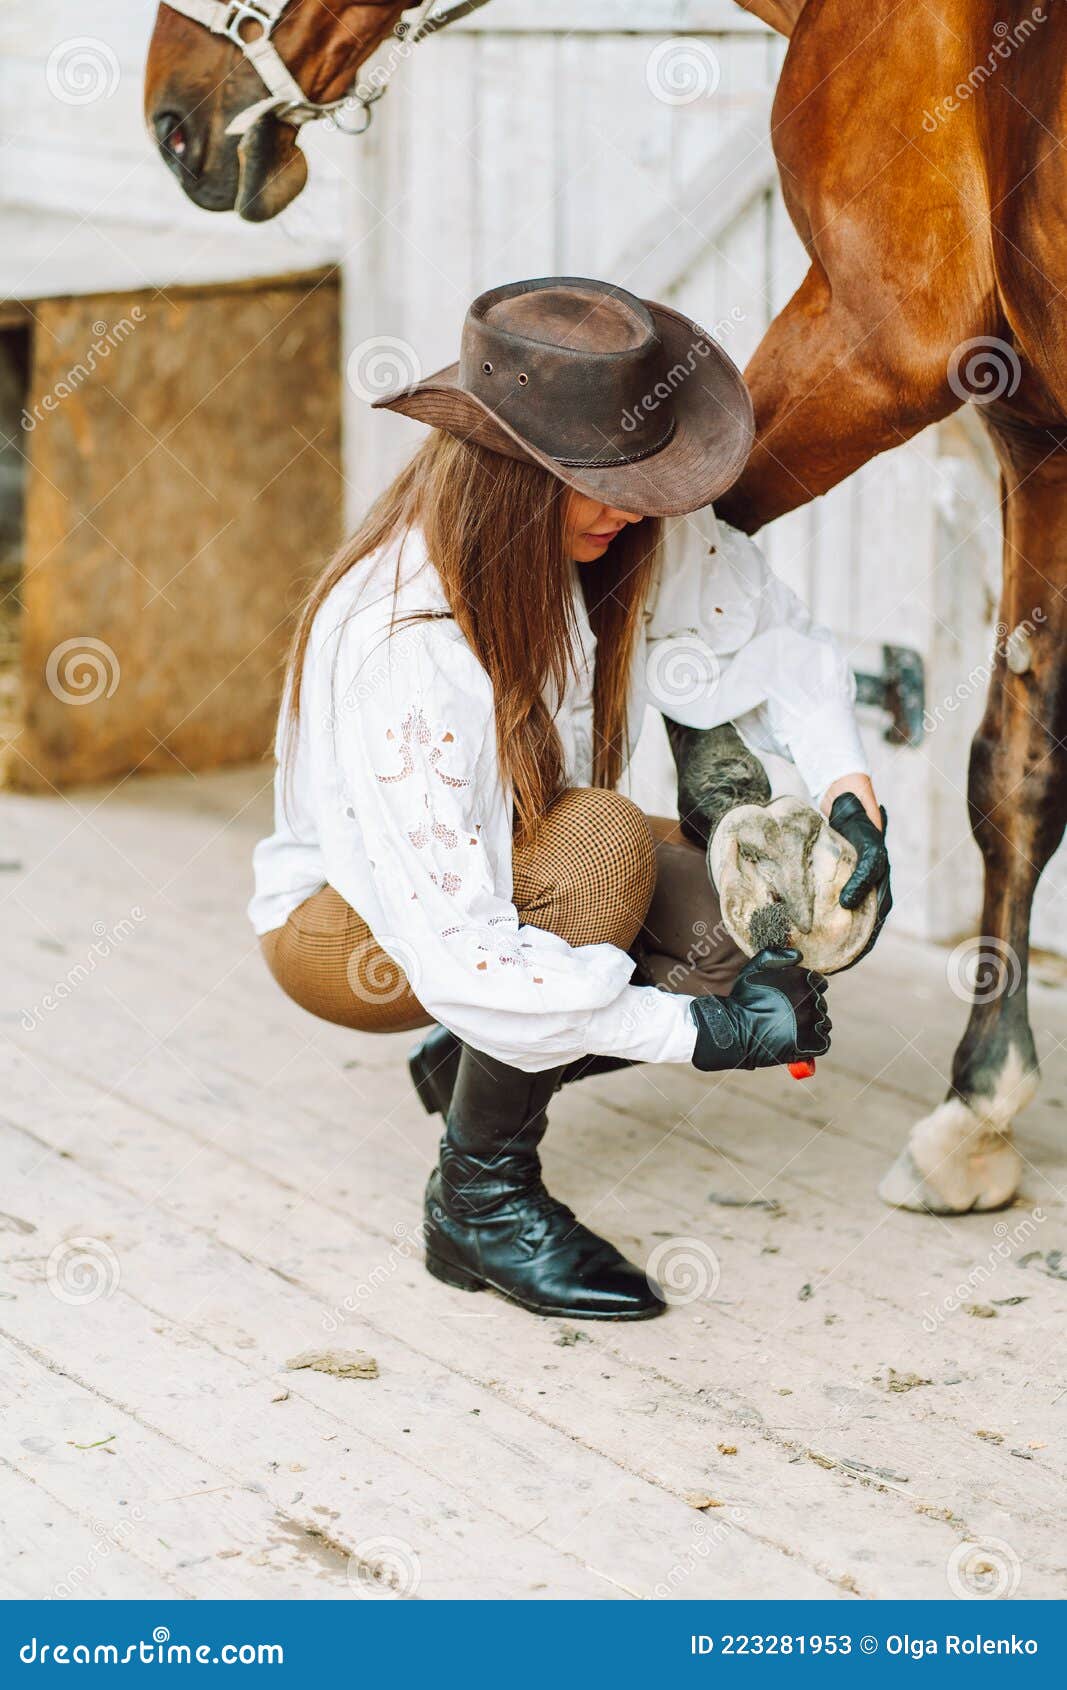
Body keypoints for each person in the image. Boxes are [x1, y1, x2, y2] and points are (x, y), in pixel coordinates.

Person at [249, 277, 891, 1322]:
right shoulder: (400, 640)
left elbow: (778, 645)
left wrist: (849, 796)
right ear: (506, 472)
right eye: (593, 482)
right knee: (597, 846)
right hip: (351, 928)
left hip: (496, 876)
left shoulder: (617, 527)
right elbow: (459, 942)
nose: (627, 508)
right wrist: (709, 1038)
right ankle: (480, 1201)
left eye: (638, 479)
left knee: (735, 921)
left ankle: (477, 1062)